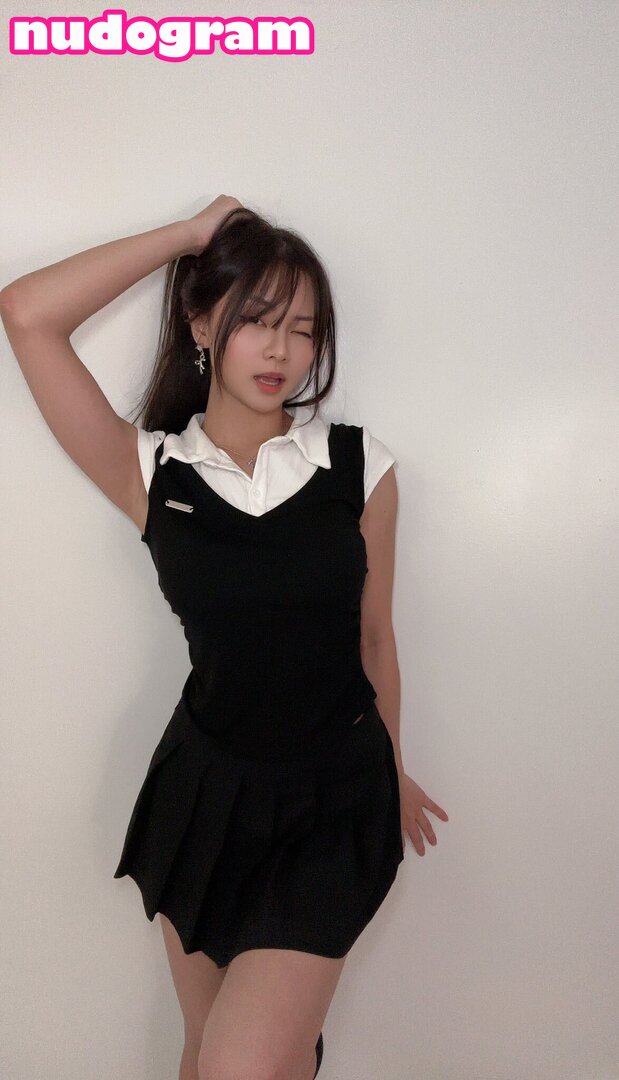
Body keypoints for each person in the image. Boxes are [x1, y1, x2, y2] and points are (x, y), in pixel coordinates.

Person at [0, 196, 448, 1080]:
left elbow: (374, 639)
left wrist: (390, 766)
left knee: (235, 1067)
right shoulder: (152, 473)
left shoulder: (358, 467)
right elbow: (26, 313)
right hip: (204, 799)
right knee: (210, 1056)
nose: (281, 349)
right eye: (255, 320)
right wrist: (188, 234)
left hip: (334, 802)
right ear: (202, 324)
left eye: (303, 329)